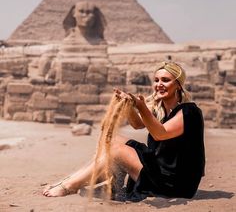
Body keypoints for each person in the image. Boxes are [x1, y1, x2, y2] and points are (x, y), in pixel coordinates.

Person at [43, 61, 205, 202]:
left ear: (178, 84)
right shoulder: (160, 108)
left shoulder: (189, 111)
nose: (159, 84)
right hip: (160, 168)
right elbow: (137, 124)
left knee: (116, 151)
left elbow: (160, 133)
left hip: (174, 182)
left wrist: (141, 106)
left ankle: (69, 186)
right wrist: (128, 104)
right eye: (156, 80)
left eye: (165, 80)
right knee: (113, 141)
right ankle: (75, 180)